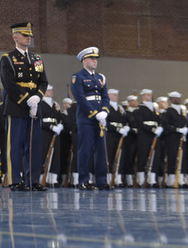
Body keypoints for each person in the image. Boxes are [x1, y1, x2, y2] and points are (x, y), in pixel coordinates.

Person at [0, 22, 47, 191]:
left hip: (34, 107)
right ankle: (15, 180)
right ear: (15, 37)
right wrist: (27, 99)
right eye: (25, 35)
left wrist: (37, 98)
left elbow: (43, 82)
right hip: (17, 106)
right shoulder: (8, 58)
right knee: (15, 145)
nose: (28, 38)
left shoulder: (37, 59)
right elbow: (9, 83)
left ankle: (33, 180)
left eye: (30, 36)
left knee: (34, 145)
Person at [69, 47, 111, 190]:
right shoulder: (77, 77)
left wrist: (105, 111)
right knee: (85, 150)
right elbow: (80, 99)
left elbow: (105, 97)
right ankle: (83, 180)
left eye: (96, 59)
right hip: (86, 118)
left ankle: (101, 181)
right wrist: (94, 113)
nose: (95, 61)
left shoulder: (101, 78)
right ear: (84, 60)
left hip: (100, 119)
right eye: (92, 58)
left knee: (101, 151)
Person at [130, 89, 163, 188]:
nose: (150, 97)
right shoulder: (139, 109)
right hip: (144, 135)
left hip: (154, 135)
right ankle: (141, 179)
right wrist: (152, 129)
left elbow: (159, 120)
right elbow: (140, 123)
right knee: (143, 156)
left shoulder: (154, 109)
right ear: (143, 96)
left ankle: (152, 179)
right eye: (148, 95)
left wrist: (160, 127)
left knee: (155, 157)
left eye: (150, 95)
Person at [160, 91, 187, 187]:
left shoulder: (181, 111)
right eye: (175, 98)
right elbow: (165, 125)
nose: (178, 99)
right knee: (172, 157)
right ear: (171, 99)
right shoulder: (168, 111)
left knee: (182, 158)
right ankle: (171, 179)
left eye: (179, 98)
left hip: (181, 138)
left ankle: (181, 178)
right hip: (172, 138)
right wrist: (177, 129)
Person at [39, 86, 64, 187]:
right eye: (48, 90)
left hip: (55, 132)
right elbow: (39, 120)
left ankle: (53, 179)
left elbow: (59, 117)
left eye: (51, 90)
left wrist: (60, 125)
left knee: (55, 154)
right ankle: (41, 178)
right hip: (44, 132)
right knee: (44, 154)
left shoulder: (55, 105)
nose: (51, 92)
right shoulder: (40, 103)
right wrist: (50, 126)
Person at [103, 89, 129, 186]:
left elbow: (126, 120)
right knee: (109, 155)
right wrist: (117, 129)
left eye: (117, 95)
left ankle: (118, 178)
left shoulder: (120, 108)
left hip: (120, 135)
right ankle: (108, 178)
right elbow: (105, 122)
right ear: (109, 96)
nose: (116, 97)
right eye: (114, 95)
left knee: (119, 157)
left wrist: (126, 127)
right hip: (110, 134)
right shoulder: (105, 107)